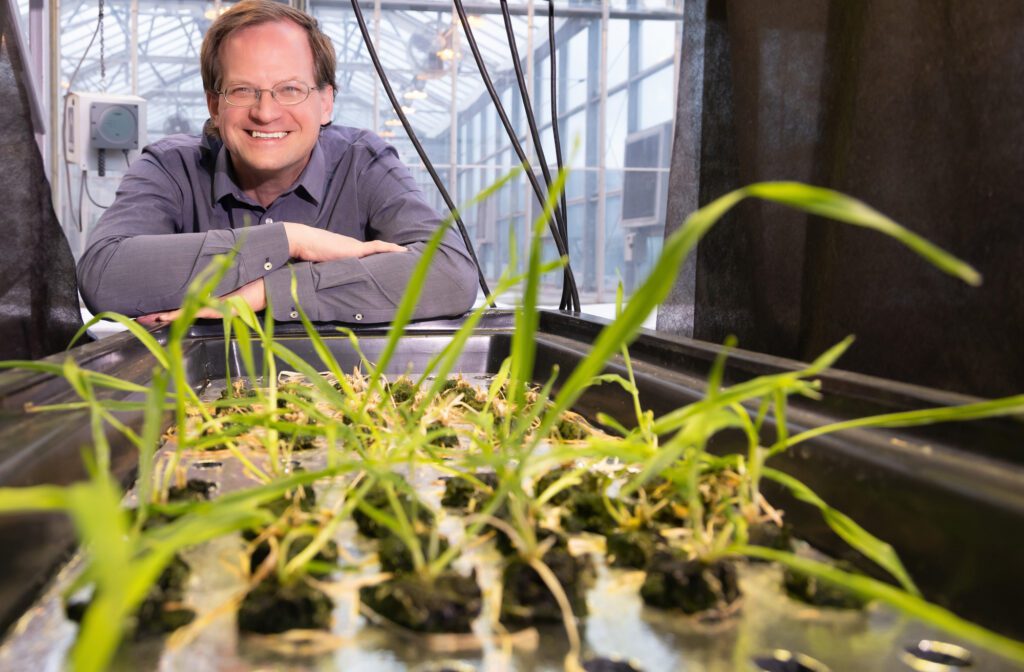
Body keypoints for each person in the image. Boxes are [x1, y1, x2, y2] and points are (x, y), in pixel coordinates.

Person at [77, 0, 478, 325]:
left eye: (290, 89)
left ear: (325, 102)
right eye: (243, 90)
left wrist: (268, 292)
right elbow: (105, 275)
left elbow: (450, 273)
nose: (266, 113)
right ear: (215, 105)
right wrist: (290, 239)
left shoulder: (363, 162)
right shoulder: (171, 167)